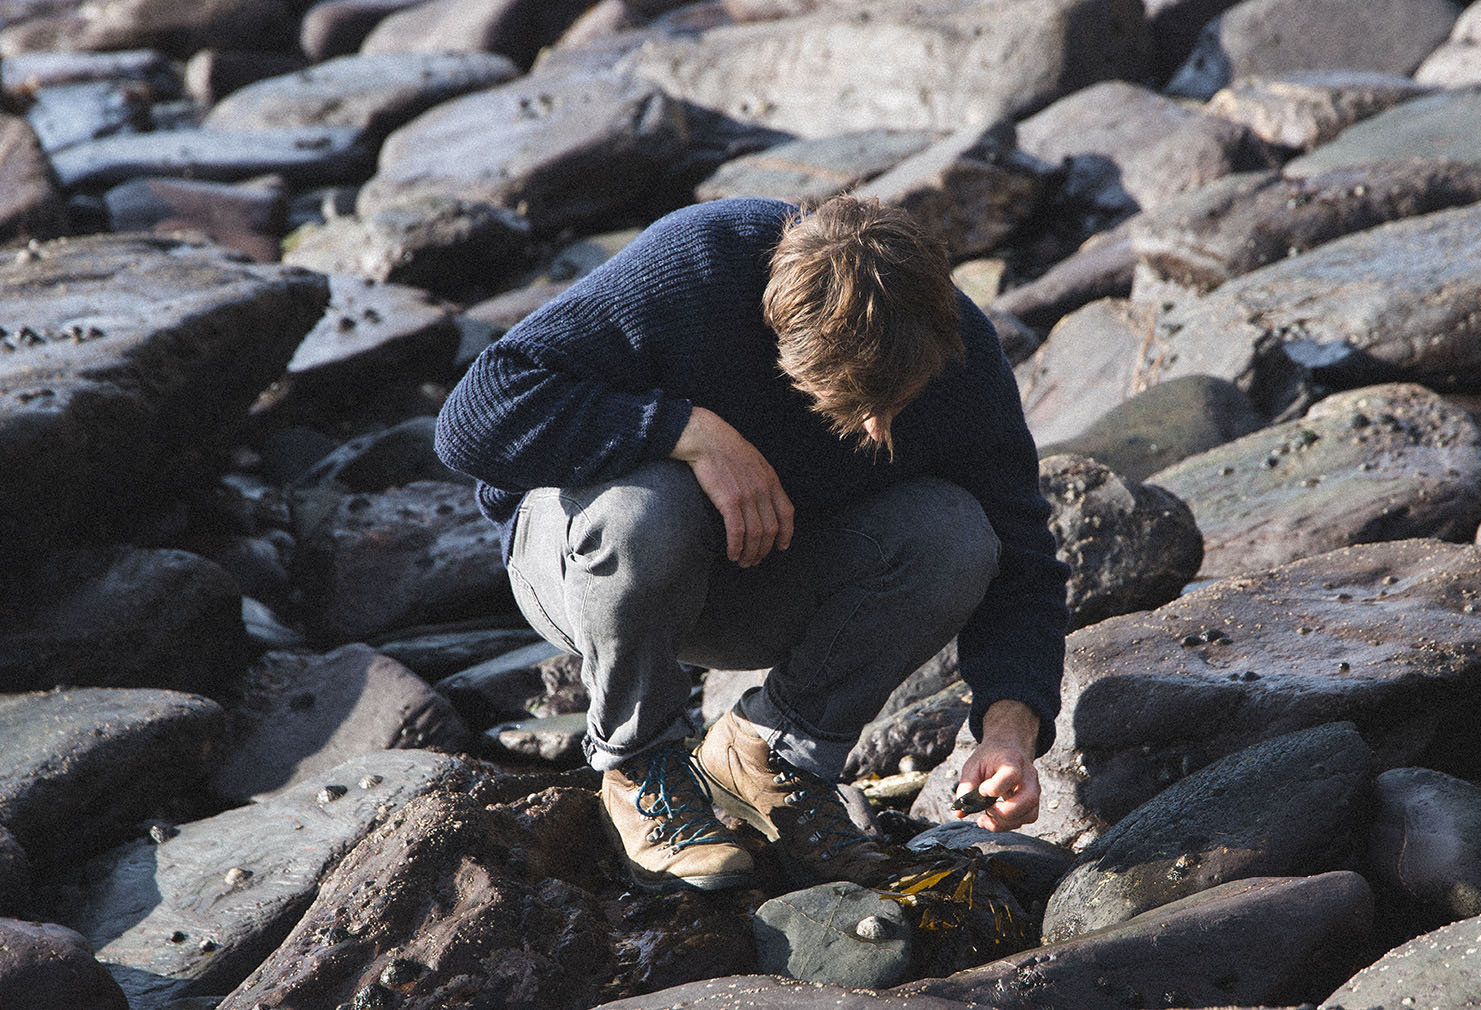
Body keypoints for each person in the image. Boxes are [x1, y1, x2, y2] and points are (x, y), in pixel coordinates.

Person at [434, 195, 1069, 892]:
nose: (878, 431)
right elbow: (471, 419)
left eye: (899, 402)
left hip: (760, 573)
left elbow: (1023, 562)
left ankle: (771, 758)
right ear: (781, 341)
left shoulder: (957, 350)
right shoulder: (698, 266)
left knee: (956, 535)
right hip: (583, 560)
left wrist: (1010, 731)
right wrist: (688, 433)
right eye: (850, 405)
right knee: (652, 506)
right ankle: (639, 764)